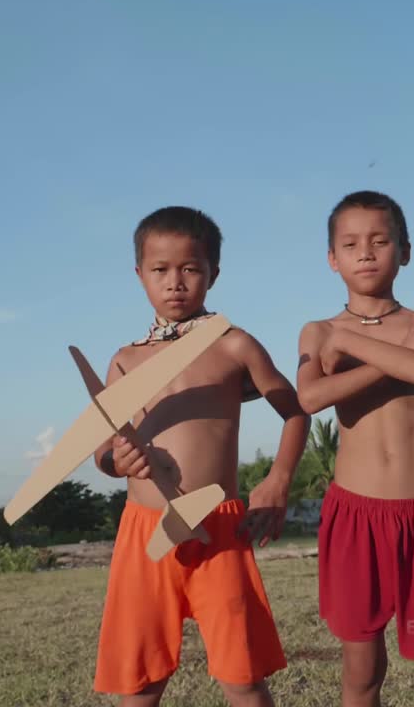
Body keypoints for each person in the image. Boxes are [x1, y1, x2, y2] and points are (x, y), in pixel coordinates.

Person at [91, 206, 310, 707]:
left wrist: (277, 481)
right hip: (145, 531)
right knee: (139, 683)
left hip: (220, 527)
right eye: (160, 270)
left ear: (213, 273)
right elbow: (101, 447)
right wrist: (116, 463)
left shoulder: (233, 345)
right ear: (139, 274)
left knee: (243, 676)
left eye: (190, 268)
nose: (175, 283)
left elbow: (296, 412)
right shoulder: (126, 360)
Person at [295, 190, 414, 706]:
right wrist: (378, 351)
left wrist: (350, 345)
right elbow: (310, 397)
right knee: (363, 671)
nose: (366, 252)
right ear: (332, 258)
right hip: (356, 515)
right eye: (350, 244)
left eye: (380, 241)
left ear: (405, 251)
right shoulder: (318, 331)